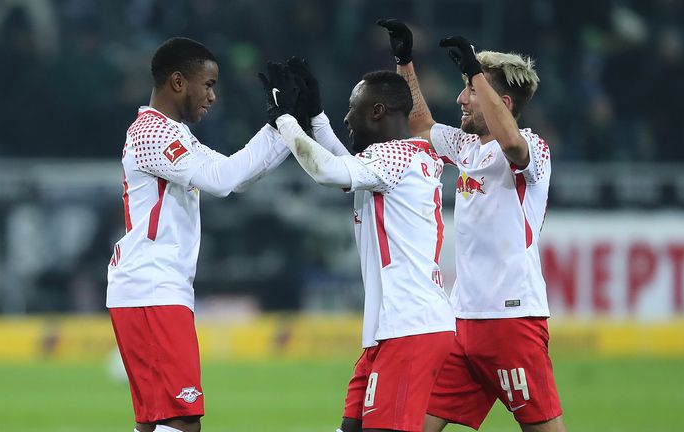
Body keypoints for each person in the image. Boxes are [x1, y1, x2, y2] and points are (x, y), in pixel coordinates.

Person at [376, 19, 565, 432]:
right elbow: (420, 125)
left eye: (472, 91)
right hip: (462, 322)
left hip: (512, 320)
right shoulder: (466, 145)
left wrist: (478, 71)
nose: (462, 98)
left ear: (505, 103)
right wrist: (405, 63)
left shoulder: (533, 148)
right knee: (413, 424)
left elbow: (512, 145)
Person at [258, 58, 455, 432]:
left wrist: (284, 118)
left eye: (353, 108)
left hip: (409, 329)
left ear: (378, 110)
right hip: (391, 328)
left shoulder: (395, 156)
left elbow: (326, 170)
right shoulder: (409, 157)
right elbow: (345, 162)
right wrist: (316, 118)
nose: (347, 118)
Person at [106, 37, 290, 432]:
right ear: (177, 82)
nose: (213, 96)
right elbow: (221, 181)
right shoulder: (152, 133)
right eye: (207, 84)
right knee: (183, 421)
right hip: (152, 288)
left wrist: (286, 125)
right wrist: (281, 124)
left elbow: (236, 176)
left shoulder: (173, 134)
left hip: (150, 289)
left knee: (157, 422)